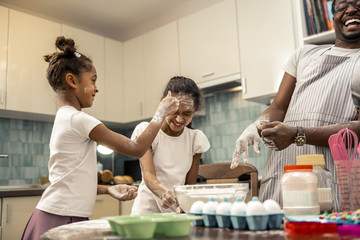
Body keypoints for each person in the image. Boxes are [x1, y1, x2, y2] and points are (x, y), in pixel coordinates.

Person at [21, 36, 179, 240]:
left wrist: (108, 189)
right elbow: (136, 148)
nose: (97, 88)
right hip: (62, 217)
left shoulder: (64, 117)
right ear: (72, 80)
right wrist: (160, 113)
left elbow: (70, 181)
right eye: (93, 80)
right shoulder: (79, 119)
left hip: (52, 215)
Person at [231, 0, 360, 212]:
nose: (352, 9)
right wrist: (256, 125)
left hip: (329, 181)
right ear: (333, 15)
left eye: (357, 4)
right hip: (282, 174)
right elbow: (279, 107)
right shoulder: (304, 54)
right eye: (342, 5)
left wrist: (298, 134)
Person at [130, 76, 210, 214]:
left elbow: (189, 185)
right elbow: (148, 175)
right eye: (175, 111)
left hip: (176, 212)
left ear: (194, 110)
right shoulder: (147, 132)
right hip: (146, 210)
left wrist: (186, 204)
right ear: (163, 103)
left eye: (187, 113)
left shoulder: (196, 139)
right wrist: (163, 194)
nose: (180, 119)